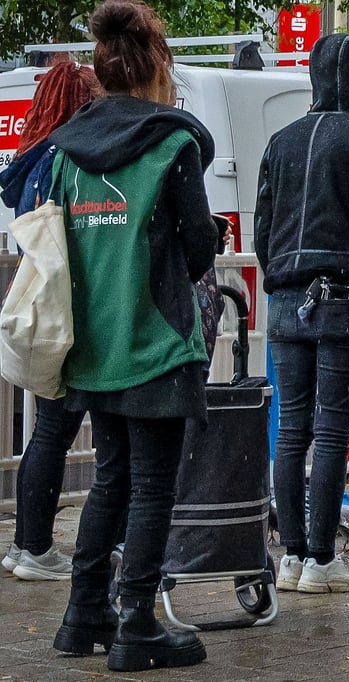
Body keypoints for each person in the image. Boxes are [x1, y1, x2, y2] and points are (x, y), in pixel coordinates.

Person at [46, 0, 220, 671]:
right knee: (152, 488)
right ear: (157, 68)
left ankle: (82, 614)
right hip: (155, 341)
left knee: (109, 482)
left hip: (95, 343)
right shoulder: (174, 145)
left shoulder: (68, 152)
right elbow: (199, 249)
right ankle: (138, 624)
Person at [254, 33, 349, 594]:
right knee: (332, 427)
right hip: (341, 297)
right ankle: (321, 558)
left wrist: (281, 272)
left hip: (285, 298)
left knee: (292, 429)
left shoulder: (280, 142)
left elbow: (263, 230)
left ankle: (290, 555)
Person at [0, 61, 100, 581]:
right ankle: (37, 548)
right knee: (67, 431)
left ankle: (25, 544)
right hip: (75, 308)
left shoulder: (30, 163)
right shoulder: (69, 160)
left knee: (46, 431)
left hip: (41, 307)